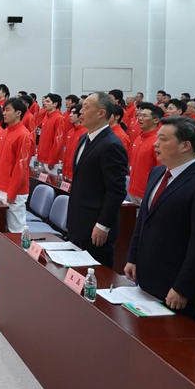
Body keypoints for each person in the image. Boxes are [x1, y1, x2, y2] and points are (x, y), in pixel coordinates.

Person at [124, 116, 195, 324]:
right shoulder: (157, 173)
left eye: (163, 139)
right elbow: (144, 219)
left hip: (178, 289)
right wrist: (133, 257)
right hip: (148, 278)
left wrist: (182, 287)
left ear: (185, 146)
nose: (155, 144)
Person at [66, 92, 129, 268]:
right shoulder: (84, 138)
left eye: (86, 107)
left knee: (94, 274)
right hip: (78, 220)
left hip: (95, 225)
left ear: (101, 113)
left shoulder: (111, 145)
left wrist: (103, 225)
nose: (80, 112)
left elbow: (116, 190)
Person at [0, 98, 34, 233]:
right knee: (1, 227)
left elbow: (21, 167)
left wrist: (12, 190)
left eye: (8, 110)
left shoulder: (23, 135)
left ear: (18, 113)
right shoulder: (4, 133)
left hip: (13, 191)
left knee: (16, 230)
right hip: (0, 186)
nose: (4, 113)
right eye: (4, 110)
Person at [126, 102, 162, 204]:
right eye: (140, 115)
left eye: (144, 116)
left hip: (147, 193)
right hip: (133, 190)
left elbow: (160, 170)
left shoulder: (158, 142)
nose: (140, 118)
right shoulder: (138, 138)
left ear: (156, 120)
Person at [36, 93, 68, 175]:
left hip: (51, 162)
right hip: (42, 158)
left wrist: (52, 160)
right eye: (45, 101)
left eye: (48, 101)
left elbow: (58, 142)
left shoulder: (59, 119)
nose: (45, 103)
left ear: (55, 104)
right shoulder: (47, 116)